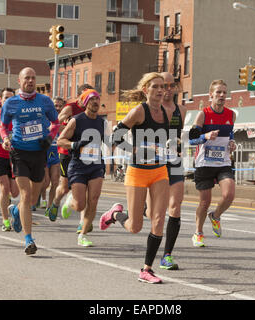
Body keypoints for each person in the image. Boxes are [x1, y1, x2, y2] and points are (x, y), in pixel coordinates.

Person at [100, 72, 170, 284]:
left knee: (158, 220)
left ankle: (146, 269)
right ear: (145, 90)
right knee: (135, 226)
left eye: (162, 86)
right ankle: (115, 215)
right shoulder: (139, 111)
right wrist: (135, 148)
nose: (160, 90)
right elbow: (116, 137)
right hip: (138, 171)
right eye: (155, 86)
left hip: (159, 170)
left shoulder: (166, 113)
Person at [0, 67, 59, 255]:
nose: (31, 81)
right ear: (20, 81)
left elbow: (56, 123)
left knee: (33, 198)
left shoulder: (45, 101)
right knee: (25, 194)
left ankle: (17, 212)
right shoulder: (11, 103)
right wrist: (6, 139)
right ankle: (28, 239)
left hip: (39, 152)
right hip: (19, 152)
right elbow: (3, 126)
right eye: (27, 78)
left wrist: (49, 138)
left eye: (33, 78)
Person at [146, 72, 187, 271]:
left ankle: (167, 255)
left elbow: (179, 136)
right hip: (153, 161)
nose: (168, 89)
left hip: (174, 160)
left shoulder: (182, 110)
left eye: (172, 85)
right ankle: (121, 213)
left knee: (175, 206)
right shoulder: (152, 109)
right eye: (164, 85)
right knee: (151, 213)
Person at [56, 89, 107, 247]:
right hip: (78, 165)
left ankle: (83, 234)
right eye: (92, 100)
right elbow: (60, 140)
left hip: (96, 165)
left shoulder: (101, 122)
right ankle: (70, 200)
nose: (95, 102)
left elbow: (109, 140)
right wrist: (74, 144)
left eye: (97, 100)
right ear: (85, 103)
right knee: (80, 205)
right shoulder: (76, 120)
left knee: (94, 200)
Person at [189, 79, 236, 247]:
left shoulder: (231, 114)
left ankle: (215, 216)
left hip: (223, 161)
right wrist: (206, 136)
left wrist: (232, 142)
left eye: (224, 92)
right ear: (211, 95)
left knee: (229, 194)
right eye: (218, 92)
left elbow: (229, 134)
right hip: (204, 163)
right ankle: (198, 232)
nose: (222, 95)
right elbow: (192, 139)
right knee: (204, 202)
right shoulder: (203, 114)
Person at [48, 84, 94, 235]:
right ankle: (55, 202)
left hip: (86, 153)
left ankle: (82, 224)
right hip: (67, 151)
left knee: (86, 187)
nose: (89, 100)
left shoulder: (92, 110)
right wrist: (70, 128)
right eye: (86, 96)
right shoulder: (70, 108)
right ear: (80, 96)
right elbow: (55, 125)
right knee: (65, 187)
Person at [0, 87, 19, 231]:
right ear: (0, 100)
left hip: (15, 156)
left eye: (11, 98)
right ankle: (5, 220)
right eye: (5, 97)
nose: (8, 100)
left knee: (15, 192)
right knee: (4, 188)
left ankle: (14, 211)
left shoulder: (18, 116)